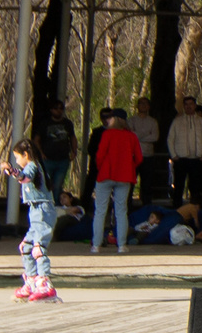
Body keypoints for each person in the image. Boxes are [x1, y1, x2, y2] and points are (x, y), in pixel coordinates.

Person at [5, 139, 60, 301]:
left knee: (38, 247)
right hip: (35, 210)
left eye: (17, 157)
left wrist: (12, 171)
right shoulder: (34, 166)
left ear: (25, 155)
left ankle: (45, 283)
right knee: (26, 246)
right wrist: (11, 172)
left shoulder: (32, 166)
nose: (17, 161)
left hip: (43, 209)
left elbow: (25, 178)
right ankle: (31, 281)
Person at [89, 107, 141, 254]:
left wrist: (101, 167)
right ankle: (122, 245)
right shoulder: (131, 137)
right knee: (121, 211)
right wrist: (129, 167)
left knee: (100, 211)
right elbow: (139, 158)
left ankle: (96, 245)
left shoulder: (107, 134)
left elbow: (99, 155)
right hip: (124, 176)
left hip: (106, 174)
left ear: (114, 119)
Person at [166, 97, 202, 203]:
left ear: (195, 105)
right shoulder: (177, 121)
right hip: (181, 159)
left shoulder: (201, 121)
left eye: (191, 104)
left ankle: (194, 209)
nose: (189, 106)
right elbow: (170, 138)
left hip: (197, 159)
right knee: (179, 186)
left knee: (195, 187)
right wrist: (173, 155)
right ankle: (177, 209)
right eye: (186, 104)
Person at [37, 97, 77, 199]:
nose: (58, 110)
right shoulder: (45, 123)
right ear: (51, 110)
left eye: (61, 108)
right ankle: (45, 205)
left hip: (63, 159)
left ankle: (56, 207)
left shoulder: (67, 123)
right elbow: (36, 139)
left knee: (58, 186)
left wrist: (74, 151)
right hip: (48, 159)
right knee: (45, 184)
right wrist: (40, 153)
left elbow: (72, 137)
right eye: (56, 108)